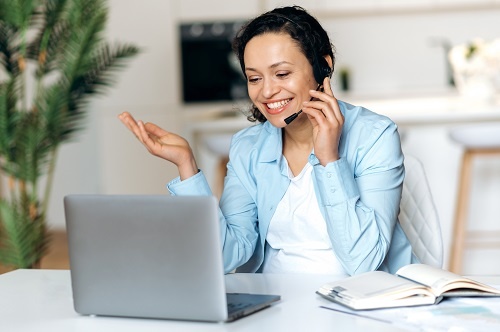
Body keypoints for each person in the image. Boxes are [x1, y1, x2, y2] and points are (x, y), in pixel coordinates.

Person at [119, 6, 417, 276]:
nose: (266, 92)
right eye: (254, 78)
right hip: (275, 305)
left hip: (355, 307)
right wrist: (187, 166)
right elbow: (225, 256)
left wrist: (329, 159)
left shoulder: (374, 135)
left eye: (282, 73)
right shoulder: (248, 147)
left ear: (322, 67)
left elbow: (363, 261)